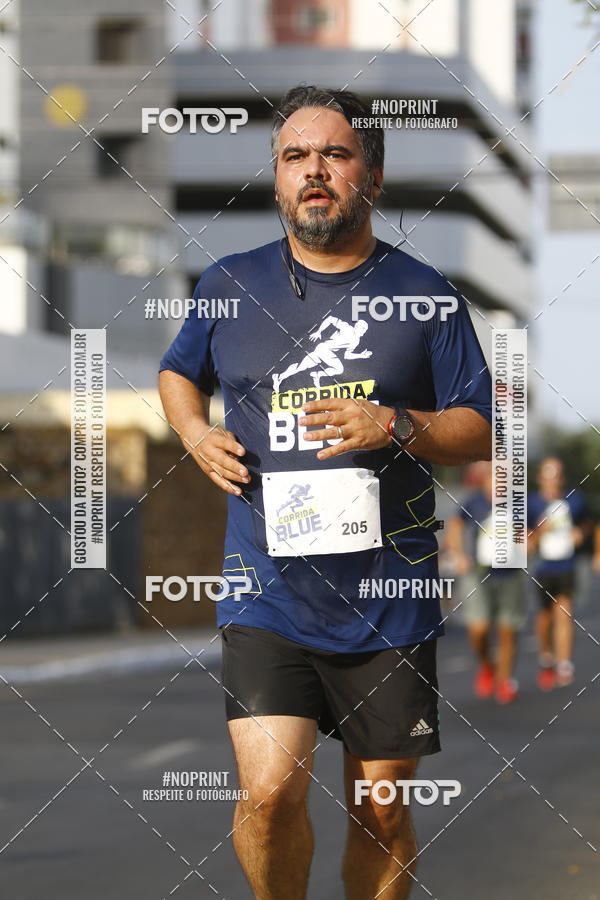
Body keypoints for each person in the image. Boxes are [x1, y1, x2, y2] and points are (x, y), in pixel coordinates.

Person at [159, 85, 492, 900]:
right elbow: (176, 373)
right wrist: (196, 433)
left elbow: (480, 427)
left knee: (379, 813)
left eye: (335, 155)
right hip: (266, 593)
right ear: (276, 179)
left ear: (371, 175)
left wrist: (397, 425)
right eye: (296, 156)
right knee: (269, 795)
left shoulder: (427, 297)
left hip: (391, 598)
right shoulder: (228, 284)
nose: (315, 171)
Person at [446, 462, 526, 704]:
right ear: (485, 482)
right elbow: (455, 527)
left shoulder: (518, 505)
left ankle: (505, 681)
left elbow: (529, 531)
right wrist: (459, 556)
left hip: (510, 574)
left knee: (507, 630)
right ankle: (487, 665)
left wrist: (528, 544)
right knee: (479, 629)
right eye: (494, 479)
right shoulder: (474, 503)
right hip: (478, 573)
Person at [528, 457, 590, 689]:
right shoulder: (530, 503)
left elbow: (588, 523)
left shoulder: (574, 499)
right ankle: (546, 657)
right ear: (540, 479)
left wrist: (580, 533)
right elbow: (524, 541)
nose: (553, 481)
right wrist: (539, 533)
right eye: (548, 476)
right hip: (541, 567)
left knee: (565, 613)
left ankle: (564, 664)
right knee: (544, 618)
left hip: (567, 565)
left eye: (557, 476)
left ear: (562, 478)